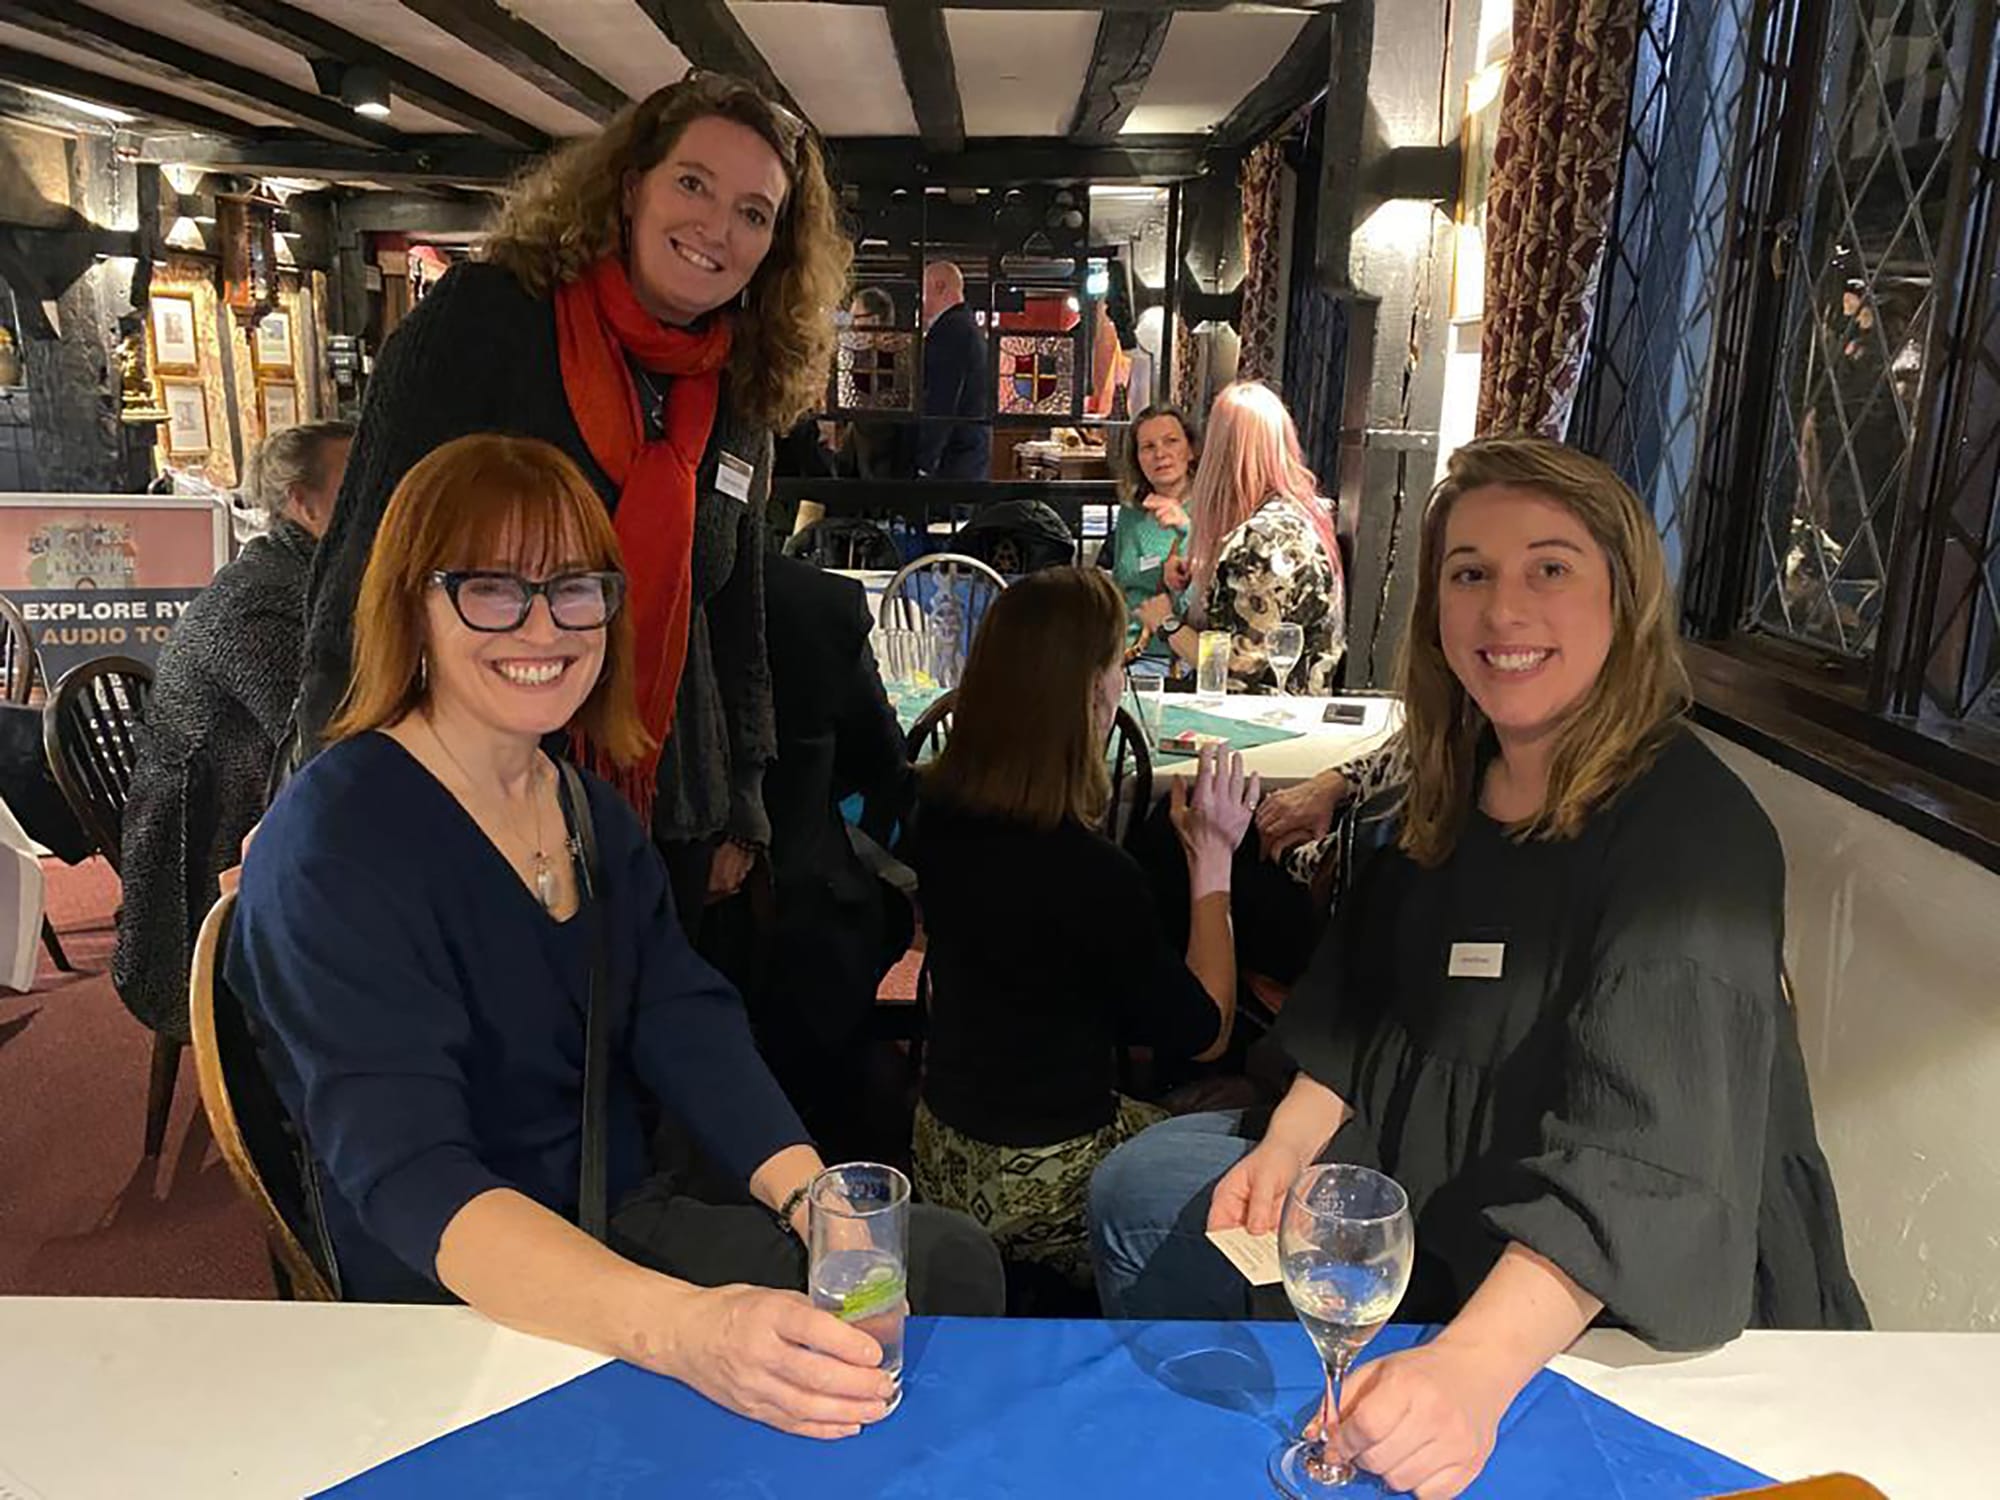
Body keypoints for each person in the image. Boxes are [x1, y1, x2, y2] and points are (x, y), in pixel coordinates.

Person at [1090, 435, 1867, 1497]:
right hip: (1429, 1162)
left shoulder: (1691, 838)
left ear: (1624, 593)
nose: (1503, 611)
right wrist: (1287, 1141)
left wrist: (1469, 1368)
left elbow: (1643, 1165)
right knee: (1140, 1188)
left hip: (1607, 1246)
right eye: (1469, 574)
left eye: (1549, 568)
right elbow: (1365, 997)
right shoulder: (1456, 778)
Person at [229, 435, 1002, 1438]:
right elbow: (413, 1178)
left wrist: (815, 1204)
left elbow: (683, 1016)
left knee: (929, 1267)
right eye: (491, 589)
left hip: (617, 1216)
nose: (542, 625)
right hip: (458, 1286)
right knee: (921, 1298)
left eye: (574, 589)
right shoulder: (338, 840)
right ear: (411, 606)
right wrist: (687, 1330)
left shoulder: (582, 807)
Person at [296, 72, 852, 940]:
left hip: (667, 797)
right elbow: (363, 570)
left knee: (638, 1015)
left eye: (754, 213)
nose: (717, 227)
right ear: (630, 187)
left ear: (774, 246)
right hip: (475, 783)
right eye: (693, 183)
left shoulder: (740, 386)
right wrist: (331, 794)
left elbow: (734, 612)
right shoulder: (487, 321)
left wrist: (743, 799)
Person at [906, 567, 1259, 1284]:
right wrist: (1214, 860)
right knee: (1255, 1121)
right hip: (1048, 1183)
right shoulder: (1094, 873)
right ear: (1093, 696)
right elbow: (1206, 1032)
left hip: (940, 1154)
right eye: (1116, 667)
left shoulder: (934, 813)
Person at [114, 421, 352, 1040]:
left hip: (253, 814)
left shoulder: (306, 581)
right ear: (301, 502)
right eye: (356, 483)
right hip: (196, 870)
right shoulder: (259, 600)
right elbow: (333, 741)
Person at [700, 550, 915, 1161]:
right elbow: (881, 760)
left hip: (664, 915)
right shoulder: (818, 603)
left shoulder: (612, 586)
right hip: (805, 920)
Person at [1157, 381, 1344, 693]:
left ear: (1221, 453)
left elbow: (1237, 669)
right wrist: (1209, 575)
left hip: (1260, 714)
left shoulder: (1262, 542)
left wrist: (1167, 624)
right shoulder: (1304, 515)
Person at [1110, 402, 1198, 664]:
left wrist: (1188, 531)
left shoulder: (1213, 509)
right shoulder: (1131, 512)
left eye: (1171, 441)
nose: (1160, 453)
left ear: (1190, 450)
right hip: (1125, 652)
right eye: (1148, 447)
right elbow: (1121, 585)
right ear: (1137, 459)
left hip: (1180, 656)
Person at [914, 260, 990, 480]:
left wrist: (925, 460)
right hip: (969, 454)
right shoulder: (968, 326)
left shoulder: (950, 331)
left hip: (951, 459)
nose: (920, 299)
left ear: (939, 286)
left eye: (922, 290)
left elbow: (942, 398)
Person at [836, 286, 909, 482]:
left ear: (875, 319)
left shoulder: (897, 357)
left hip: (884, 458)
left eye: (856, 318)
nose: (852, 325)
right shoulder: (855, 355)